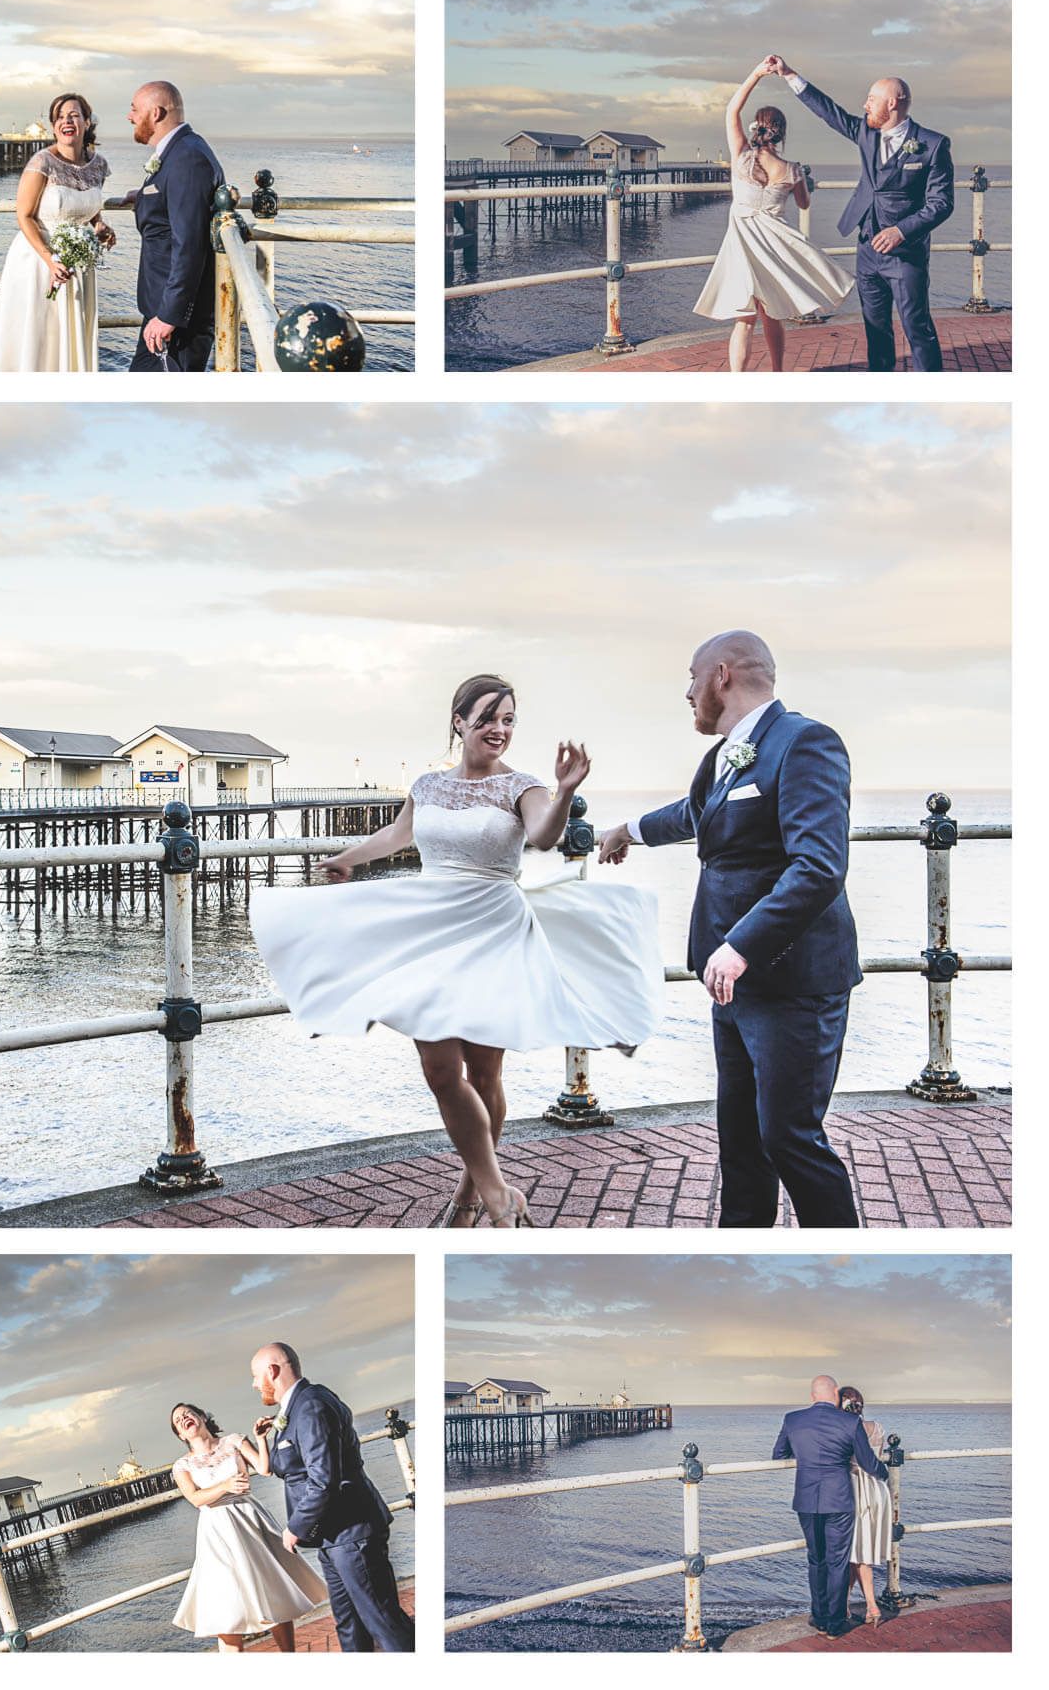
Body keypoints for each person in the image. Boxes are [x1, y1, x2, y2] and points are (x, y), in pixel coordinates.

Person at [248, 675, 664, 1228]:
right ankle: (498, 1190)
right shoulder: (428, 785)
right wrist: (350, 857)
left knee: (485, 1073)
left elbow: (542, 835)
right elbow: (398, 836)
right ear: (459, 721)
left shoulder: (523, 787)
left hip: (494, 928)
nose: (499, 729)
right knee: (441, 1070)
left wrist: (564, 792)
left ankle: (473, 1193)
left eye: (509, 720)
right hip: (431, 928)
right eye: (488, 717)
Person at [599, 631, 860, 1228]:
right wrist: (629, 829)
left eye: (691, 678)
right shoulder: (727, 754)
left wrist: (741, 946)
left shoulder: (805, 743)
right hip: (731, 984)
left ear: (721, 675)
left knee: (789, 1138)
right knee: (740, 1141)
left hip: (791, 981)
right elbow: (701, 812)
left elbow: (819, 866)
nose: (686, 693)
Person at [767, 55, 954, 371]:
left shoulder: (932, 145)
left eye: (871, 100)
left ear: (893, 103)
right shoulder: (866, 133)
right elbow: (830, 112)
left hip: (906, 254)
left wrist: (901, 231)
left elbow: (941, 203)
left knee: (916, 327)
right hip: (866, 249)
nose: (865, 106)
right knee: (875, 329)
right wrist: (789, 75)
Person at [251, 1342, 415, 1653]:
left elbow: (325, 1479)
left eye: (255, 1376)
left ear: (272, 1372)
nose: (254, 1384)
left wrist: (295, 1527)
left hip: (351, 1533)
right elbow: (291, 1462)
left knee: (383, 1620)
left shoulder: (311, 1406)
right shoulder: (301, 1406)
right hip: (332, 1535)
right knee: (348, 1625)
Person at [693, 59, 853, 371]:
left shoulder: (741, 156)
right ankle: (777, 374)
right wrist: (803, 181)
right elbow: (804, 205)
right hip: (773, 248)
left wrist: (755, 73)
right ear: (781, 135)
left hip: (742, 247)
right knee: (773, 316)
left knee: (744, 320)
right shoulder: (792, 169)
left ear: (757, 128)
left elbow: (731, 112)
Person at [169, 1399, 326, 1652]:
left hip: (250, 1519)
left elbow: (264, 1469)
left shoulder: (233, 1441)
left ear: (203, 1417)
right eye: (178, 1421)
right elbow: (196, 1499)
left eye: (188, 1414)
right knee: (225, 1604)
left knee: (272, 1589)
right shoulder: (182, 1465)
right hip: (216, 1531)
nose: (184, 1419)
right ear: (180, 1434)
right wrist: (224, 1486)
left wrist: (261, 1439)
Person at [0, 94, 116, 372]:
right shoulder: (42, 162)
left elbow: (88, 204)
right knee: (38, 337)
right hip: (39, 261)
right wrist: (49, 259)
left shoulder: (98, 165)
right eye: (60, 117)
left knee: (67, 339)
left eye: (74, 115)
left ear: (87, 122)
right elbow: (25, 215)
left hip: (78, 263)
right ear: (54, 127)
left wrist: (98, 224)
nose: (67, 120)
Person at [773, 1375, 889, 1639]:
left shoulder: (793, 1419)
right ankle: (834, 1625)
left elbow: (779, 1454)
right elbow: (868, 1463)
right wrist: (886, 1473)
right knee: (837, 1562)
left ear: (812, 1395)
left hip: (806, 1499)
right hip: (839, 1500)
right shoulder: (849, 1421)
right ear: (835, 1394)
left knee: (816, 1559)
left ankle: (818, 1616)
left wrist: (806, 1454)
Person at [124, 81, 225, 371]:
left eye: (134, 109)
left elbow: (189, 243)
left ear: (155, 113)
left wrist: (169, 316)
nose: (129, 117)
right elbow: (175, 203)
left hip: (176, 321)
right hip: (163, 310)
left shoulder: (187, 158)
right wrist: (142, 195)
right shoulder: (180, 150)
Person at [838, 1384, 894, 1627]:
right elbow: (875, 1460)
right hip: (877, 1490)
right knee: (858, 1552)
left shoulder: (845, 1429)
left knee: (858, 1554)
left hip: (855, 1490)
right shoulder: (878, 1428)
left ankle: (871, 1606)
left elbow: (851, 1461)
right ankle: (845, 1605)